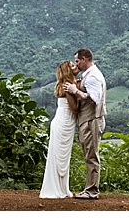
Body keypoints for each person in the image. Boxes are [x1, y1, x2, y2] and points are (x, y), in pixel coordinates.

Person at [63, 47, 106, 199]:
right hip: (88, 120)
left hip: (92, 120)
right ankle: (89, 189)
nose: (76, 64)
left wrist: (75, 91)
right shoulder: (89, 75)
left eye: (77, 61)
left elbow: (94, 98)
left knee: (91, 155)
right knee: (89, 154)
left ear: (84, 59)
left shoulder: (93, 76)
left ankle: (92, 191)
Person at [39, 60, 80, 198]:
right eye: (73, 65)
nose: (76, 66)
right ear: (69, 70)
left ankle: (61, 187)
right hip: (64, 123)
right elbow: (74, 108)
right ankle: (58, 188)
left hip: (62, 122)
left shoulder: (66, 84)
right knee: (60, 157)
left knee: (61, 156)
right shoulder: (68, 86)